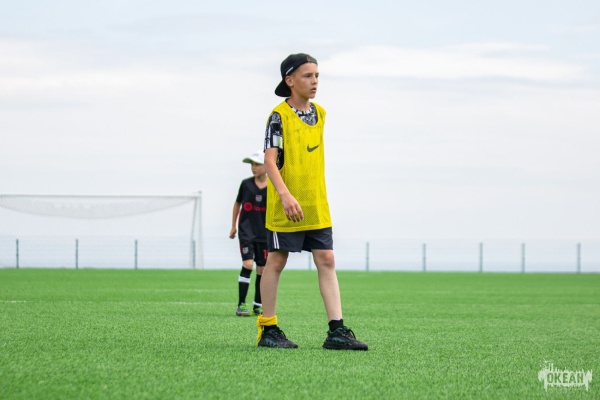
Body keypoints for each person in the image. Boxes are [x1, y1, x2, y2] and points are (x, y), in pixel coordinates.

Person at [256, 53, 368, 350]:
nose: (314, 81)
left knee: (327, 259)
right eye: (307, 76)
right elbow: (269, 161)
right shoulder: (278, 116)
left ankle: (337, 331)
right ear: (290, 80)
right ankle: (268, 329)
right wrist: (285, 195)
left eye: (317, 75)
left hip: (316, 204)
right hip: (286, 204)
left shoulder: (321, 113)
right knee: (276, 261)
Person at [229, 151, 268, 316]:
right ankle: (241, 304)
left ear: (266, 165)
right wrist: (233, 226)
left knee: (262, 269)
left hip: (265, 234)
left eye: (257, 164)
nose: (253, 167)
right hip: (246, 232)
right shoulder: (245, 184)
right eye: (251, 164)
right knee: (248, 264)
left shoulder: (273, 187)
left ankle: (257, 304)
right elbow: (237, 203)